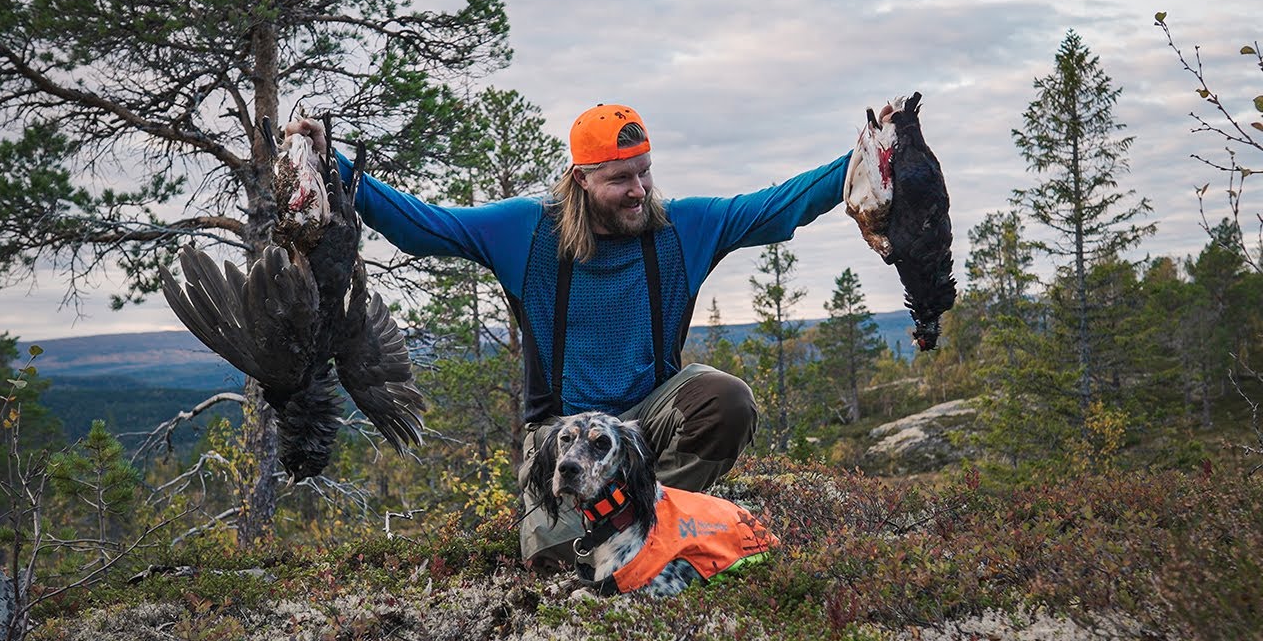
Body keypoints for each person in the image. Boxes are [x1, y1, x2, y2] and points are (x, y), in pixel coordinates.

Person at [287, 102, 883, 572]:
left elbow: (779, 206)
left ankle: (648, 520)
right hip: (561, 434)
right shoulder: (527, 231)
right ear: (581, 179)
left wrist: (861, 157)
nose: (639, 190)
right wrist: (332, 163)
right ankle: (612, 531)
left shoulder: (683, 227)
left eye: (645, 172)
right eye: (620, 178)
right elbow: (424, 227)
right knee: (561, 563)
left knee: (725, 399)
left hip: (645, 426)